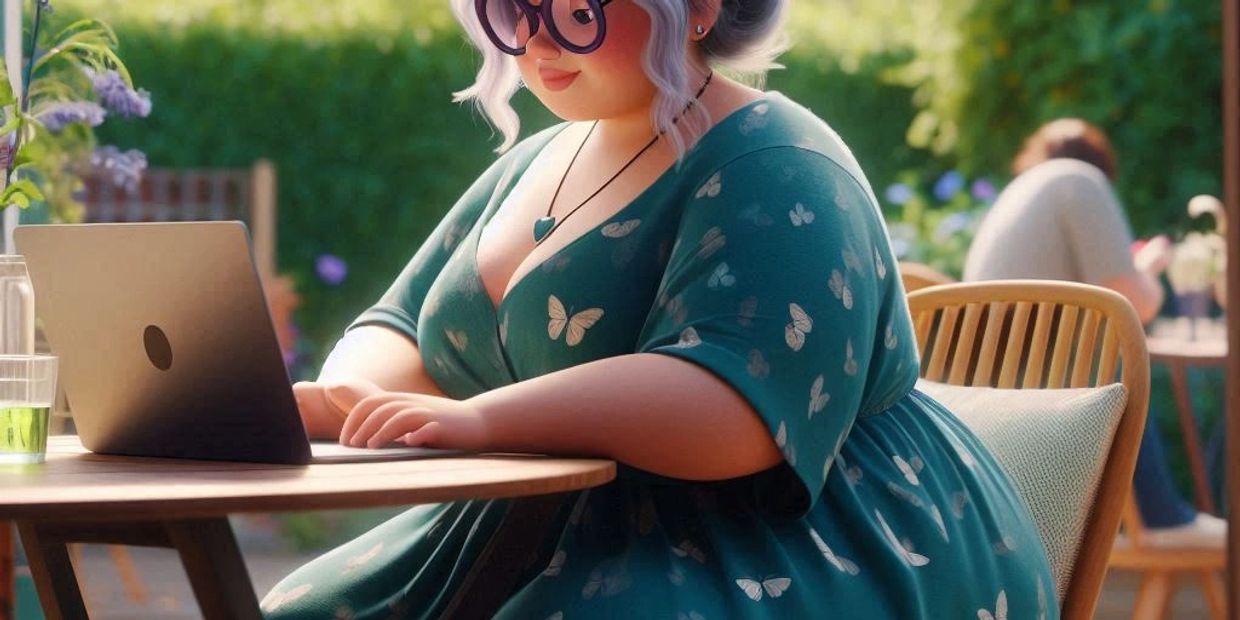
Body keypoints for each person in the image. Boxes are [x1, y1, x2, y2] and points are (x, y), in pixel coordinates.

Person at [263, 0, 1057, 617]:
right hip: (546, 522)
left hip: (790, 541)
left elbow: (735, 408)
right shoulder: (538, 160)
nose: (537, 44)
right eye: (513, 14)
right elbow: (403, 323)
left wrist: (486, 420)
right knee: (300, 608)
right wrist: (355, 398)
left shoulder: (780, 159)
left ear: (697, 7)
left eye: (577, 14)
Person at [964, 118, 1227, 548]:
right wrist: (1148, 268)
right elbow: (1130, 303)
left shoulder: (1019, 193)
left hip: (1001, 435)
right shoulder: (1081, 182)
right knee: (1117, 361)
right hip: (1057, 427)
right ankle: (1163, 519)